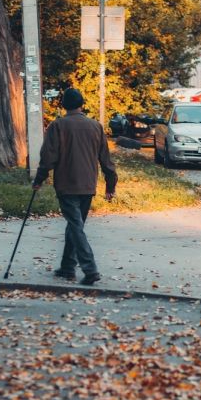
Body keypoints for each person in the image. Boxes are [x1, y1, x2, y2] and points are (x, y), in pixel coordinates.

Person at [32, 88, 118, 286]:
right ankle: (68, 267)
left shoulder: (58, 126)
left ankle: (90, 269)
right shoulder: (95, 126)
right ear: (82, 104)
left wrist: (39, 179)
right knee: (75, 225)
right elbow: (106, 159)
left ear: (64, 106)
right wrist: (110, 185)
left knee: (76, 226)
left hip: (67, 184)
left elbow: (48, 158)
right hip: (88, 185)